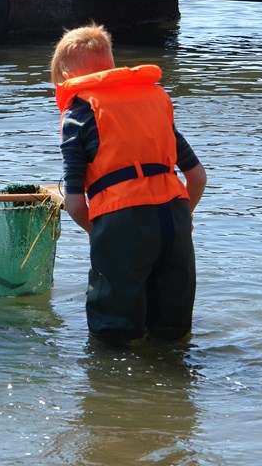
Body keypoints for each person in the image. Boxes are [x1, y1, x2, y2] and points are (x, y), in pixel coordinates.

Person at [50, 23, 207, 344]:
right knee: (172, 335)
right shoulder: (154, 99)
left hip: (121, 223)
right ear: (111, 65)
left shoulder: (78, 114)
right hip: (175, 219)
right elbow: (197, 176)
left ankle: (119, 392)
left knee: (113, 338)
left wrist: (101, 231)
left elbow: (75, 202)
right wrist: (181, 217)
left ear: (66, 75)